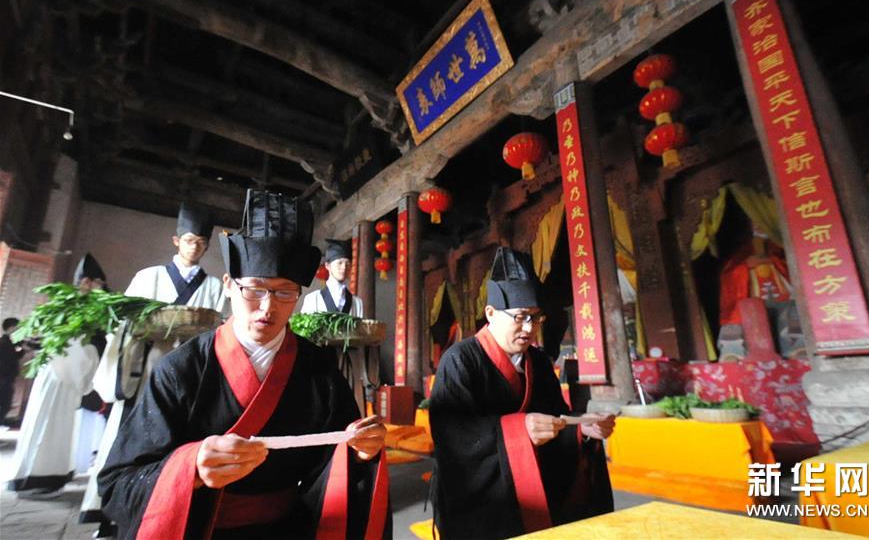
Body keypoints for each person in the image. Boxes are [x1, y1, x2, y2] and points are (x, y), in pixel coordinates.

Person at [99, 190, 389, 539]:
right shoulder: (181, 369)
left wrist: (361, 453)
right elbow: (118, 483)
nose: (268, 307)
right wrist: (190, 467)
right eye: (255, 290)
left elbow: (339, 457)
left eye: (285, 292)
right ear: (228, 285)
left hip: (287, 531)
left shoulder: (319, 369)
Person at [429, 247, 615, 539]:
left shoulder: (537, 361)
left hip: (534, 484)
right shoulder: (460, 360)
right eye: (520, 317)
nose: (529, 328)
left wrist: (581, 429)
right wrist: (519, 431)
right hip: (482, 500)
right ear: (491, 314)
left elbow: (556, 416)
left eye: (536, 318)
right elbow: (452, 434)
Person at [81, 203, 226, 531]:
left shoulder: (214, 288)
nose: (195, 247)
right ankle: (111, 513)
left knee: (175, 440)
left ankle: (163, 506)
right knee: (129, 440)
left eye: (202, 242)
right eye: (189, 240)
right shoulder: (148, 277)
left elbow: (217, 330)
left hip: (186, 375)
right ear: (176, 241)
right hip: (145, 369)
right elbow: (123, 323)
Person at [6, 255, 107, 497]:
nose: (94, 286)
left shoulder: (95, 309)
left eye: (96, 283)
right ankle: (35, 477)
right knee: (45, 424)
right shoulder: (67, 306)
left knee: (59, 427)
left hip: (67, 377)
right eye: (90, 281)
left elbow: (94, 343)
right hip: (57, 372)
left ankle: (49, 476)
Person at [299, 239, 362, 316]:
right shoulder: (313, 298)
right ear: (327, 266)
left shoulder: (357, 303)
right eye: (340, 263)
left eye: (347, 264)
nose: (344, 267)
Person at [0, 316, 23, 424]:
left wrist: (22, 349)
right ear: (11, 328)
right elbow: (10, 359)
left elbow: (14, 356)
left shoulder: (8, 342)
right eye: (17, 328)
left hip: (6, 378)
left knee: (5, 403)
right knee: (5, 403)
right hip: (4, 378)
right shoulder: (4, 343)